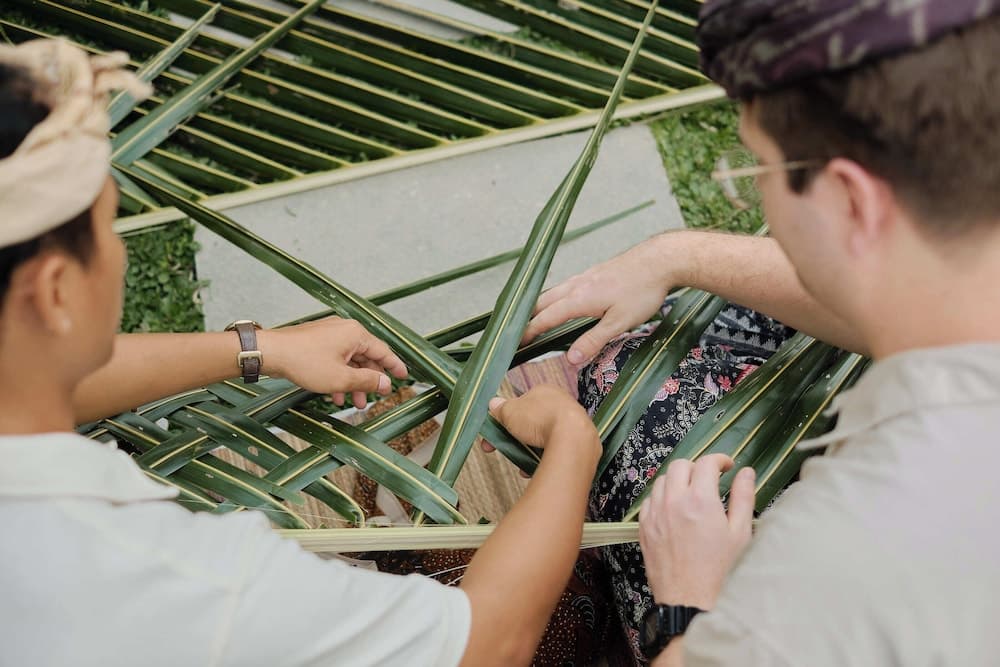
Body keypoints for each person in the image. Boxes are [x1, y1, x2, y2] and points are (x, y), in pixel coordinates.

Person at [0, 39, 602, 666]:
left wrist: (261, 349)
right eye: (109, 225)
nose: (120, 253)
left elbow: (35, 375)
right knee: (563, 616)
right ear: (54, 291)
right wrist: (571, 440)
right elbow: (489, 643)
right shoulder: (183, 578)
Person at [525, 1, 1000, 664]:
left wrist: (691, 601)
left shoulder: (828, 560)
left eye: (758, 169)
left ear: (851, 200)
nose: (758, 196)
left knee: (644, 470)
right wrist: (676, 256)